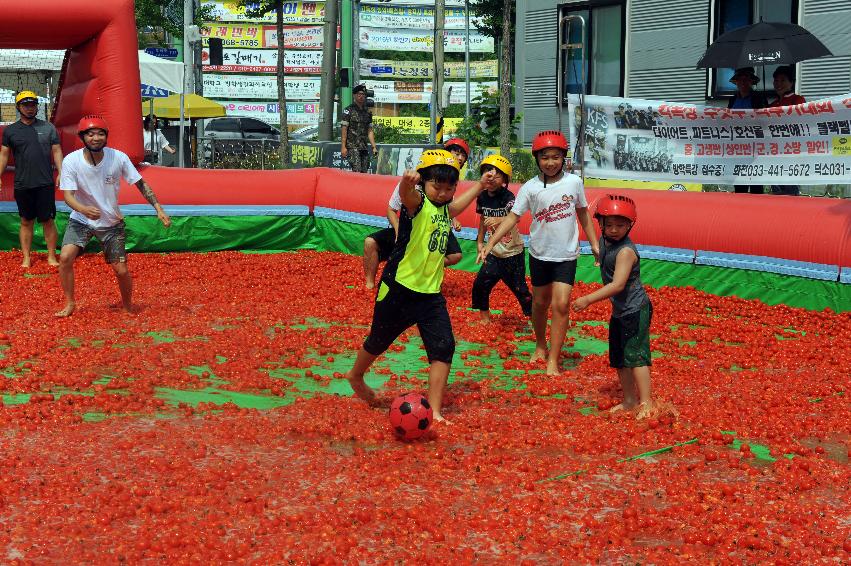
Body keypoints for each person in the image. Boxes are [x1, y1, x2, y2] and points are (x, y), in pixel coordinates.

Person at [347, 149, 493, 422]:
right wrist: (406, 181)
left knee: (444, 347)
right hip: (399, 288)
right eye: (437, 185)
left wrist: (479, 186)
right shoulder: (417, 204)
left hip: (430, 295)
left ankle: (435, 411)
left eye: (449, 187)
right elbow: (407, 196)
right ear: (424, 182)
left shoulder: (443, 209)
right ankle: (355, 375)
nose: (443, 192)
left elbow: (455, 207)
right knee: (379, 340)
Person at [477, 130, 599, 376]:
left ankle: (553, 358)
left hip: (566, 255)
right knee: (540, 304)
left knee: (562, 305)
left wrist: (595, 244)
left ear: (564, 158)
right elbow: (513, 217)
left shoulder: (574, 182)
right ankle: (541, 345)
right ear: (537, 159)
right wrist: (490, 244)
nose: (551, 162)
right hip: (539, 254)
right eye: (545, 157)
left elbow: (583, 212)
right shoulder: (530, 188)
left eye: (556, 157)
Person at [55, 115, 171, 317]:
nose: (96, 138)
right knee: (65, 257)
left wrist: (158, 208)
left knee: (121, 270)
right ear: (82, 137)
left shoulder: (118, 157)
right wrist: (83, 209)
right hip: (81, 219)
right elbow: (68, 196)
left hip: (110, 221)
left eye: (100, 133)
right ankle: (70, 303)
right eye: (90, 134)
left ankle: (127, 306)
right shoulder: (71, 161)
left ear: (106, 136)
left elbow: (140, 183)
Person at [571, 194, 655, 419]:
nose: (615, 230)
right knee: (619, 358)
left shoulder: (626, 252)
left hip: (635, 309)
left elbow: (618, 285)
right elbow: (589, 227)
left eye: (621, 225)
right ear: (602, 225)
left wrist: (588, 299)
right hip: (620, 311)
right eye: (610, 225)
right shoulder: (604, 242)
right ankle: (629, 400)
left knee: (636, 357)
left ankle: (646, 402)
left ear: (630, 225)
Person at [362, 137, 471, 289]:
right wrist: (398, 230)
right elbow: (392, 208)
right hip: (408, 229)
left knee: (454, 255)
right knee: (371, 243)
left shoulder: (448, 188)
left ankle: (424, 268)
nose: (458, 157)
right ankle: (370, 284)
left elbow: (448, 209)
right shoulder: (413, 184)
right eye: (455, 153)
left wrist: (454, 219)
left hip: (433, 230)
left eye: (462, 155)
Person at [0, 90, 63, 267]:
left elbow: (57, 151)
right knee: (26, 221)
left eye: (33, 104)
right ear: (18, 107)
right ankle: (26, 258)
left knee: (48, 221)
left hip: (45, 183)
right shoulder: (10, 131)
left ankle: (51, 256)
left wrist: (62, 172)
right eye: (26, 105)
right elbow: (4, 155)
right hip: (23, 184)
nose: (30, 108)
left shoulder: (48, 128)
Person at [471, 154, 532, 322]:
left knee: (520, 289)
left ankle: (533, 316)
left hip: (512, 253)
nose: (491, 177)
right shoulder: (482, 197)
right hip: (494, 253)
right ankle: (484, 318)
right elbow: (483, 221)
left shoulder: (508, 197)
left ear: (505, 178)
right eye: (487, 172)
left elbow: (515, 217)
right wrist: (479, 242)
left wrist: (499, 219)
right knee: (481, 285)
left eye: (497, 174)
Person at [727, 68, 768, 195]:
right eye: (740, 79)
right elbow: (727, 118)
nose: (743, 82)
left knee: (755, 182)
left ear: (751, 81)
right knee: (739, 182)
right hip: (738, 147)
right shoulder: (733, 99)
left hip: (755, 147)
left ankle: (757, 212)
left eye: (746, 79)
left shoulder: (759, 97)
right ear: (736, 82)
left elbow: (765, 120)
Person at [768, 65, 805, 196]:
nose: (779, 84)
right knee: (776, 196)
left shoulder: (798, 100)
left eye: (783, 80)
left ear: (791, 82)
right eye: (776, 81)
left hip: (792, 156)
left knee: (791, 195)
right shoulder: (772, 105)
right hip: (774, 155)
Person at [341, 84, 378, 173]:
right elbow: (344, 129)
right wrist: (343, 147)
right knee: (357, 170)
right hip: (352, 146)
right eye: (359, 94)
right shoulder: (348, 110)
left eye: (363, 94)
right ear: (354, 95)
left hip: (363, 146)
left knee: (364, 171)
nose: (361, 96)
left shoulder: (367, 112)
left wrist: (374, 147)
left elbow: (369, 130)